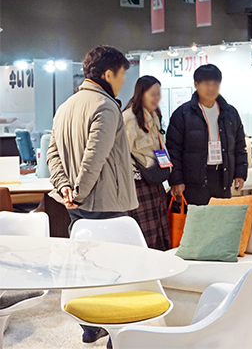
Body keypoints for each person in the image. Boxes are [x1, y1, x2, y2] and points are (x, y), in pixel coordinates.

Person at [47, 45, 138, 347]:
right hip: (105, 201)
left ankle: (90, 325)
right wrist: (80, 193)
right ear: (108, 74)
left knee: (87, 266)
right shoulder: (106, 106)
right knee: (113, 270)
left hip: (76, 203)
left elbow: (52, 153)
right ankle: (116, 332)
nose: (123, 81)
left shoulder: (65, 106)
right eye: (121, 74)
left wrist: (65, 188)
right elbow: (94, 157)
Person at [167, 64, 248, 205]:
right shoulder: (182, 114)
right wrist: (176, 180)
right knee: (198, 218)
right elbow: (173, 150)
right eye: (206, 84)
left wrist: (240, 174)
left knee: (221, 216)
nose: (211, 88)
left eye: (215, 84)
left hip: (223, 178)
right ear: (196, 85)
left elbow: (240, 146)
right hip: (194, 182)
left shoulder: (230, 113)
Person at [123, 76, 171, 251]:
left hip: (155, 179)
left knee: (160, 228)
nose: (157, 98)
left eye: (158, 94)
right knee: (146, 232)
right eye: (153, 94)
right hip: (139, 181)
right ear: (141, 93)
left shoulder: (154, 115)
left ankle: (160, 262)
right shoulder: (129, 118)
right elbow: (122, 153)